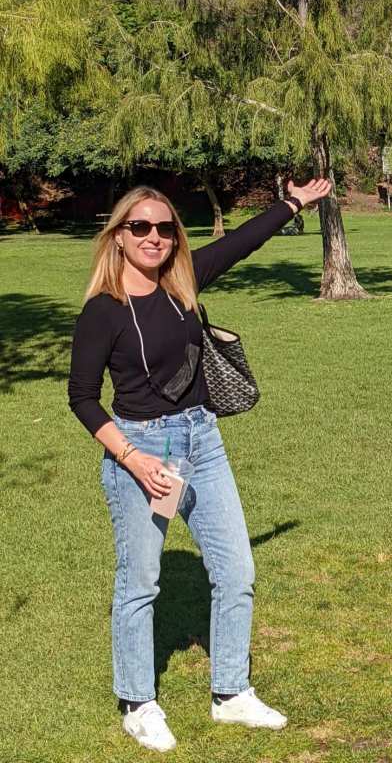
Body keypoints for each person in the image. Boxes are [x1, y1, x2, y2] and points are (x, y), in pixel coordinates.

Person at [68, 179, 331, 752]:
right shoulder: (102, 313)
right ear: (118, 238)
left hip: (202, 442)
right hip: (140, 450)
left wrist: (293, 204)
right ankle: (138, 702)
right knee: (140, 583)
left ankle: (230, 693)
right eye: (140, 227)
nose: (154, 237)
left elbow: (241, 242)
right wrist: (134, 461)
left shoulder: (183, 283)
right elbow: (83, 399)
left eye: (165, 228)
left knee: (236, 569)